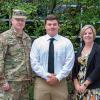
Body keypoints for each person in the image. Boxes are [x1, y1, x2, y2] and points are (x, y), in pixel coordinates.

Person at [30, 14, 75, 100]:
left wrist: (57, 78)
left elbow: (69, 62)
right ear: (45, 26)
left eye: (54, 24)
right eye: (49, 24)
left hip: (60, 83)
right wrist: (47, 76)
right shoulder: (37, 42)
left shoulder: (66, 43)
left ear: (59, 26)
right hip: (42, 82)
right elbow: (34, 62)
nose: (52, 26)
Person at [0, 9, 32, 100]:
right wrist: (2, 81)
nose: (20, 22)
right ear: (12, 21)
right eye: (17, 19)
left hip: (25, 82)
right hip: (10, 83)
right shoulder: (4, 37)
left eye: (22, 20)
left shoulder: (27, 38)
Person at [72, 25, 100, 100]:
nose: (87, 35)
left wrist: (85, 85)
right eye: (85, 33)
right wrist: (76, 84)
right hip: (79, 88)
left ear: (93, 35)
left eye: (90, 33)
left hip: (92, 88)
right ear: (82, 35)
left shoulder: (98, 49)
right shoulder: (79, 50)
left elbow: (98, 69)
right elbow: (74, 69)